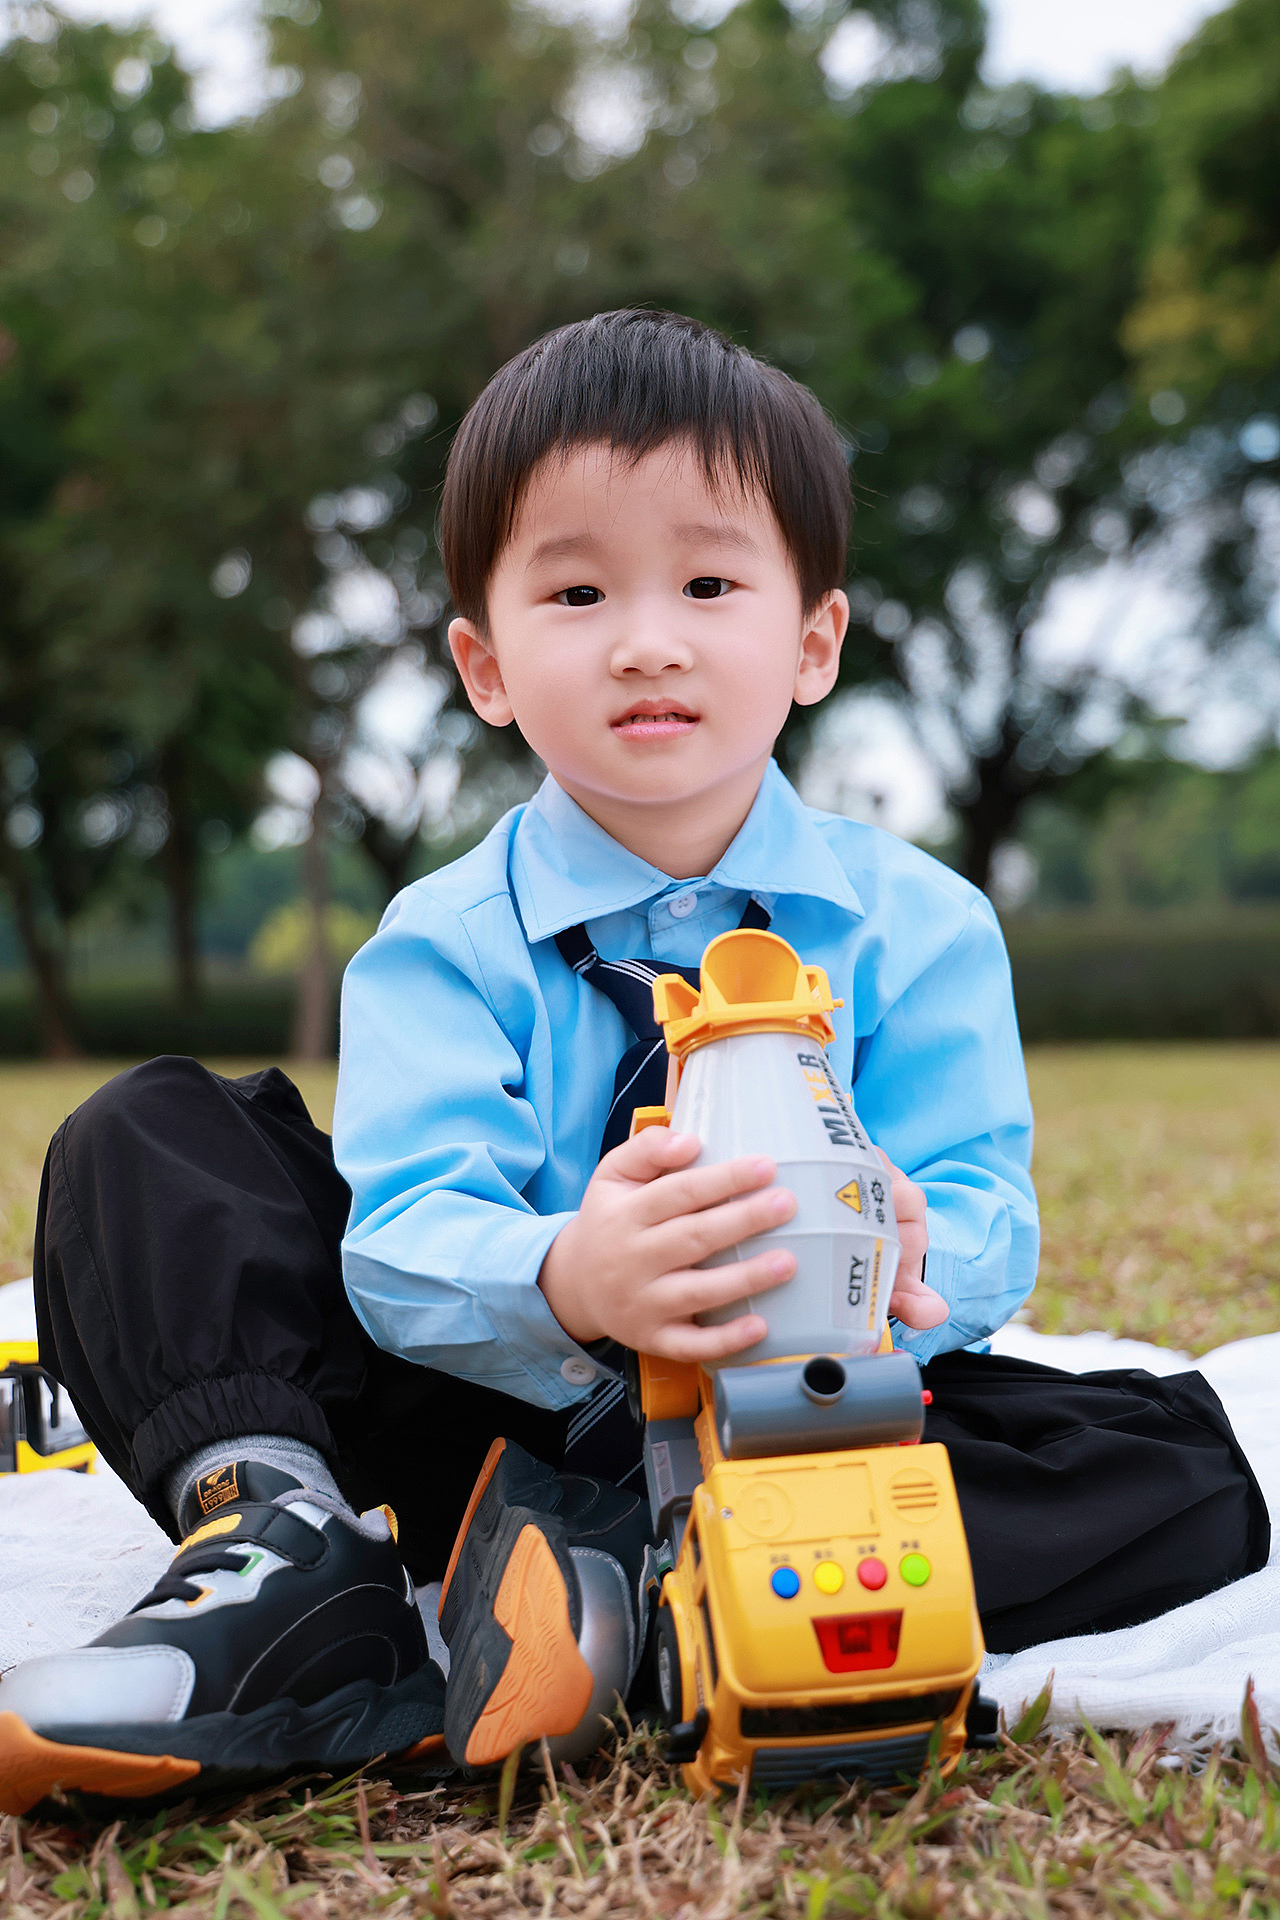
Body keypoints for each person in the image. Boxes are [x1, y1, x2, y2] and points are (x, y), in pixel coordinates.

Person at [0, 312, 1265, 1815]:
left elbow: (985, 1208)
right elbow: (399, 1238)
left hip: (793, 1420)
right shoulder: (440, 939)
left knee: (1177, 1463)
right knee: (149, 1137)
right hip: (471, 1411)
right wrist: (571, 1279)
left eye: (711, 583)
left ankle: (616, 1600)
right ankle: (289, 1562)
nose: (648, 637)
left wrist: (915, 1259)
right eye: (581, 588)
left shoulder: (919, 923)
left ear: (812, 643)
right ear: (484, 664)